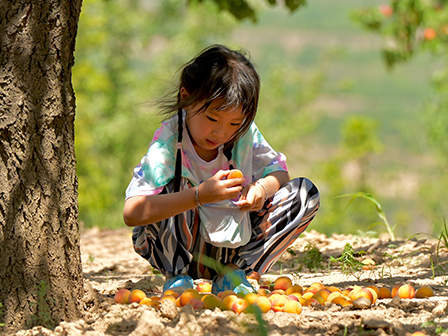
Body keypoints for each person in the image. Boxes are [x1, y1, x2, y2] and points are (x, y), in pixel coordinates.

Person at [123, 44, 320, 295]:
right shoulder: (169, 144)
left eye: (235, 123)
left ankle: (234, 272)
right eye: (212, 119)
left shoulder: (243, 136)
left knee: (304, 193)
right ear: (186, 98)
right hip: (178, 247)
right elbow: (132, 213)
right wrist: (199, 195)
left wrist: (260, 188)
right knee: (177, 185)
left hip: (232, 246)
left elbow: (280, 175)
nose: (221, 133)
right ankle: (177, 277)